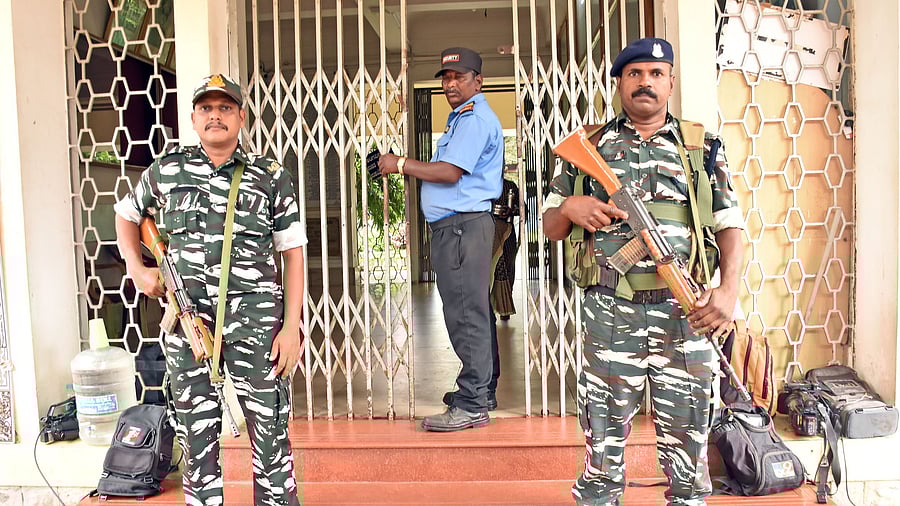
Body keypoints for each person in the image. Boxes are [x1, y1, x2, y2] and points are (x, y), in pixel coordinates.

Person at [542, 37, 744, 505]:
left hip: (686, 311)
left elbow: (729, 223)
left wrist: (729, 290)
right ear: (619, 82)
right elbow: (550, 225)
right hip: (610, 310)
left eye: (656, 74)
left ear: (670, 82)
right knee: (603, 432)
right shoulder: (590, 145)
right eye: (634, 73)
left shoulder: (701, 146)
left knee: (689, 435)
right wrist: (570, 207)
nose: (645, 82)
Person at [114, 73, 307, 506]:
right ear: (193, 118)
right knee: (196, 442)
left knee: (271, 436)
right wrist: (137, 269)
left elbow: (293, 255)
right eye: (206, 108)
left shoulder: (270, 175)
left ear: (241, 117)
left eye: (224, 108)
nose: (215, 115)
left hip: (258, 329)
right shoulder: (167, 170)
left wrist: (291, 328)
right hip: (188, 329)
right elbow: (127, 215)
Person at [378, 47, 503, 431]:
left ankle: (472, 403)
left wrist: (398, 164)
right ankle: (482, 390)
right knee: (473, 310)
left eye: (459, 77)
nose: (450, 84)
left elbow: (449, 172)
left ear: (477, 81)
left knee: (466, 314)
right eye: (446, 78)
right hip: (460, 227)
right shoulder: (462, 118)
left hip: (463, 228)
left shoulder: (474, 119)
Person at [490, 177, 521, 320]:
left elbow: (523, 209)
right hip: (486, 234)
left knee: (508, 269)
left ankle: (505, 307)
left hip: (507, 233)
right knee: (488, 271)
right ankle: (489, 309)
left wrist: (511, 210)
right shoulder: (479, 184)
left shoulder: (510, 186)